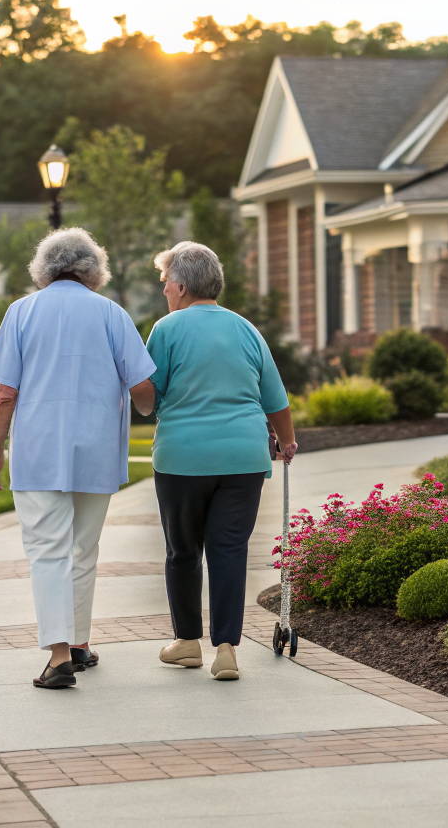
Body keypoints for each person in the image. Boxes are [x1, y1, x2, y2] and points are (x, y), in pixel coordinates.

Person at [0, 227, 156, 689]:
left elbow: (6, 393)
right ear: (93, 268)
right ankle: (78, 643)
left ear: (43, 268)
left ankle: (60, 657)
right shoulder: (112, 313)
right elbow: (142, 387)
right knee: (83, 550)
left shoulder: (21, 311)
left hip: (38, 452)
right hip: (97, 451)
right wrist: (146, 408)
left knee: (47, 551)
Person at [146, 241, 296, 681]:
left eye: (165, 282)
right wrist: (287, 442)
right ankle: (227, 649)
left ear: (181, 285)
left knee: (183, 551)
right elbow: (276, 400)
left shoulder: (166, 329)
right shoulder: (247, 329)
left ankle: (187, 643)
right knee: (229, 550)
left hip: (182, 459)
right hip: (243, 457)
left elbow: (147, 398)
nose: (164, 290)